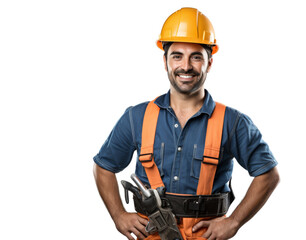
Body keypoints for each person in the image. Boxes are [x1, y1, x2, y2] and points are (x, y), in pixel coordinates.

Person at [93, 7, 280, 240]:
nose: (186, 66)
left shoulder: (233, 122)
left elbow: (268, 174)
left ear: (209, 63)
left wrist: (234, 222)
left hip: (205, 235)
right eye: (177, 55)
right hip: (151, 234)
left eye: (196, 56)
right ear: (165, 61)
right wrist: (118, 215)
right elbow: (104, 166)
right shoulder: (136, 117)